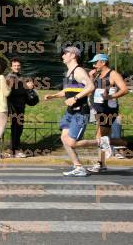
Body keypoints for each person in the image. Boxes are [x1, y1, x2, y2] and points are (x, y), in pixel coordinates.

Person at [44, 46, 99, 177]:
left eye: (65, 53)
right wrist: (54, 96)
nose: (62, 55)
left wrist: (75, 98)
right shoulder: (69, 73)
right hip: (70, 112)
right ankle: (78, 167)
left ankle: (101, 142)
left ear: (73, 55)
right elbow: (67, 91)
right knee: (64, 138)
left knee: (71, 142)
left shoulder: (78, 71)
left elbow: (91, 87)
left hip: (81, 112)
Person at [86, 54, 133, 173]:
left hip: (108, 111)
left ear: (102, 62)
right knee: (102, 138)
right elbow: (92, 89)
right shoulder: (97, 74)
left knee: (100, 138)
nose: (93, 65)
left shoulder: (113, 74)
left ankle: (101, 163)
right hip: (98, 109)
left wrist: (110, 96)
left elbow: (124, 89)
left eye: (95, 62)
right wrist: (91, 77)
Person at [6, 58, 36, 158]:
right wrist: (27, 87)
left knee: (18, 128)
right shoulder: (10, 77)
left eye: (18, 65)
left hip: (20, 106)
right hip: (13, 106)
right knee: (16, 128)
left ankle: (12, 149)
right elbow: (12, 92)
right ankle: (15, 150)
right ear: (11, 67)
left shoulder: (20, 76)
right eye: (15, 65)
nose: (17, 67)